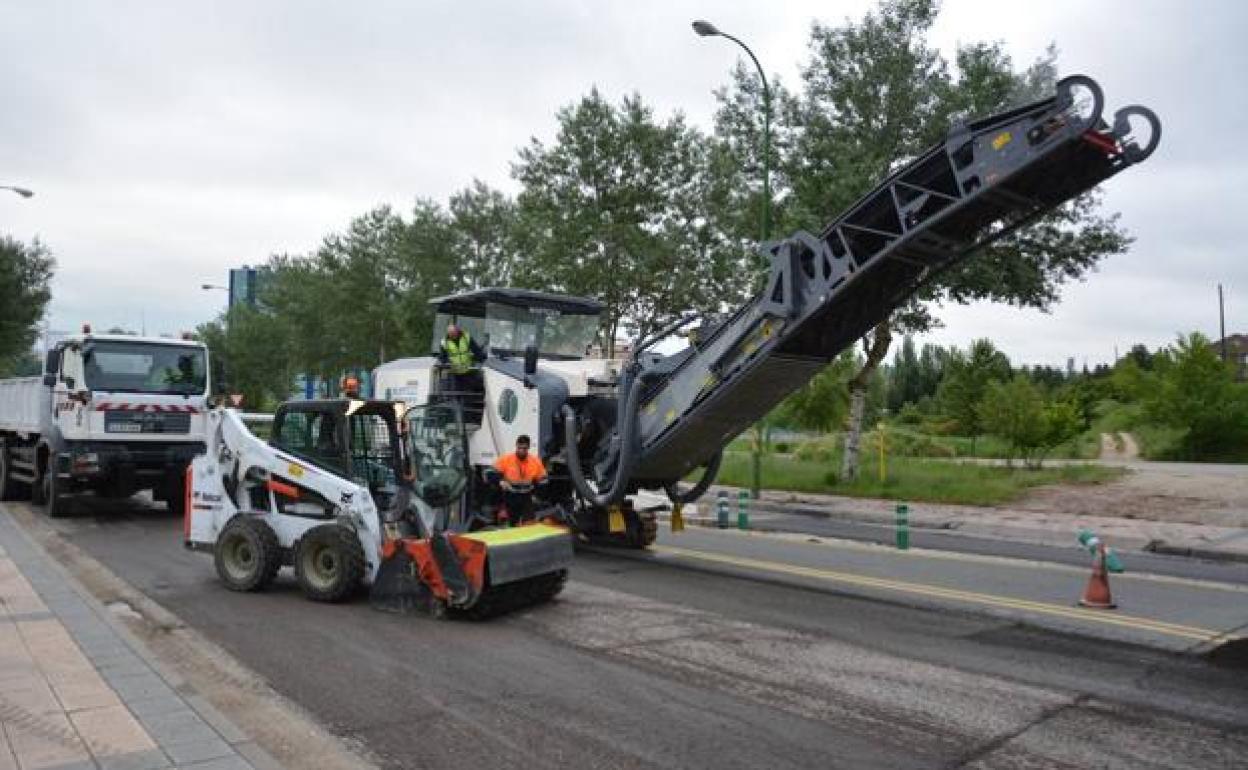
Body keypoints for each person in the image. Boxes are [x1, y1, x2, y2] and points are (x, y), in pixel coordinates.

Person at [492, 435, 547, 525]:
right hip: (510, 497)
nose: (521, 450)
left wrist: (537, 496)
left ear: (528, 448)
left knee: (529, 523)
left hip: (527, 497)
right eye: (519, 448)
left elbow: (543, 481)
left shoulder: (535, 461)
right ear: (516, 446)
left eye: (524, 448)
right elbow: (490, 473)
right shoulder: (506, 459)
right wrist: (500, 481)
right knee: (512, 523)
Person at [436, 323, 485, 398]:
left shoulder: (467, 337)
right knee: (455, 393)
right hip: (454, 372)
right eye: (451, 334)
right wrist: (446, 363)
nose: (453, 336)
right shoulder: (444, 342)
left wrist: (482, 358)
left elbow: (476, 350)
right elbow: (442, 356)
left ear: (458, 331)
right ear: (448, 333)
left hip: (468, 370)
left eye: (454, 334)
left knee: (469, 393)